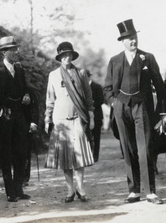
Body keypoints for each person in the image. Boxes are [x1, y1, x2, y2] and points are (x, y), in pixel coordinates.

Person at [103, 19, 166, 205]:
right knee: (128, 149)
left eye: (135, 37)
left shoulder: (148, 58)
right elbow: (107, 88)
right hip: (121, 108)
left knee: (145, 149)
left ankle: (150, 192)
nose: (133, 41)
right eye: (129, 39)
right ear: (122, 41)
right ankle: (133, 191)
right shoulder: (115, 61)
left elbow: (160, 86)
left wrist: (163, 112)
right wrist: (114, 104)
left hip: (143, 108)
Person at [0, 36, 38, 202]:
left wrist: (27, 96)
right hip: (4, 117)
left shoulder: (20, 70)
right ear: (4, 52)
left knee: (21, 152)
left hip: (20, 116)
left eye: (16, 49)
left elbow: (26, 90)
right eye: (12, 50)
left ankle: (19, 189)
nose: (15, 52)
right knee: (6, 154)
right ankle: (10, 192)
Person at [44, 42, 95, 203]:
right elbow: (50, 100)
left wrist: (91, 117)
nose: (67, 57)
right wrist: (47, 119)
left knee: (79, 156)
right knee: (65, 157)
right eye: (63, 55)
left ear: (73, 56)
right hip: (60, 121)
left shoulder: (81, 73)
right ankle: (70, 190)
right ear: (59, 58)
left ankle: (81, 188)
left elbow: (88, 97)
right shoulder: (53, 75)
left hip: (78, 119)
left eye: (69, 54)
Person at [86, 69, 104, 162]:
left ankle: (95, 155)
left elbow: (101, 100)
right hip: (85, 116)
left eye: (86, 76)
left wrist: (91, 104)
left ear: (89, 76)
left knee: (96, 136)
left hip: (97, 116)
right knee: (86, 136)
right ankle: (88, 154)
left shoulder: (97, 87)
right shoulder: (81, 88)